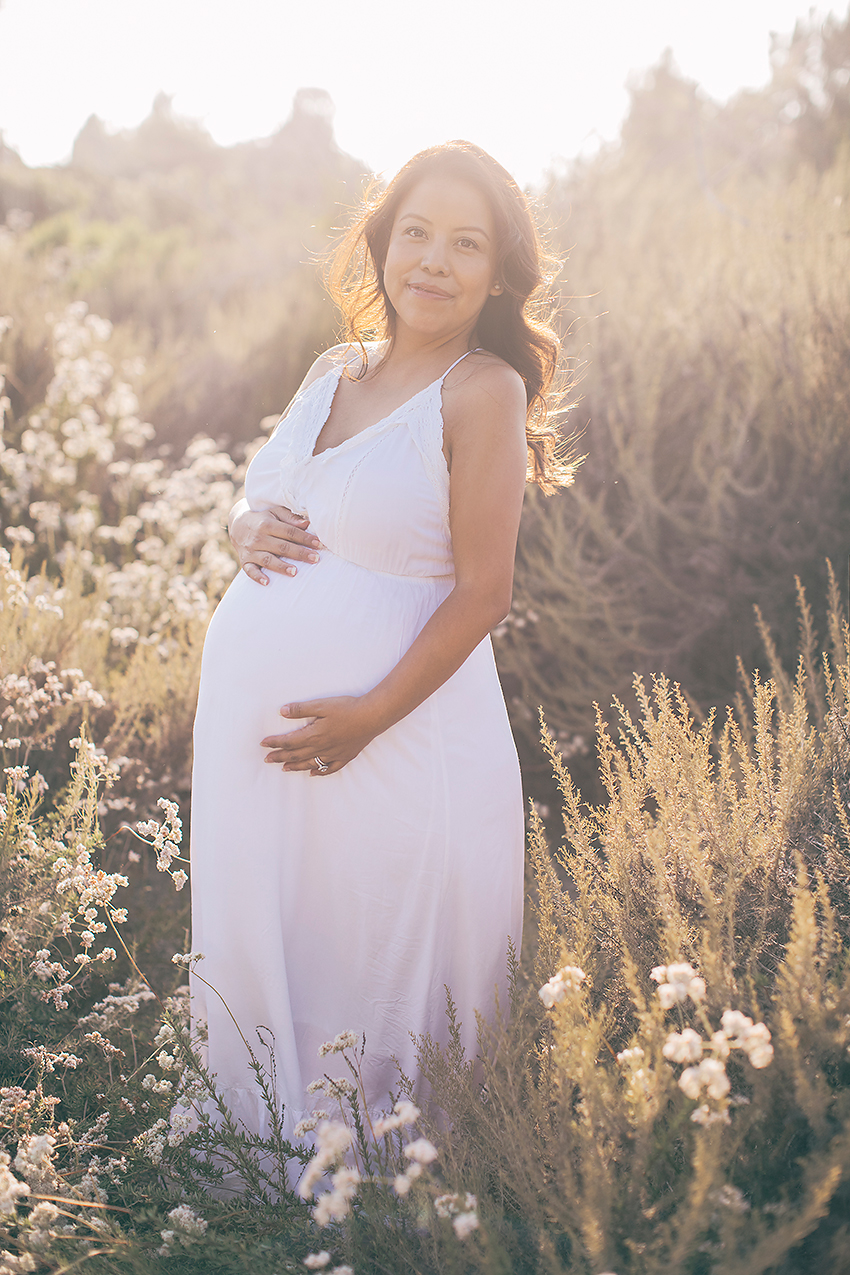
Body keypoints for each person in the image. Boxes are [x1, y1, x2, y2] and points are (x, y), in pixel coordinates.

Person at [189, 140, 574, 1142]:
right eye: (415, 234)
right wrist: (239, 525)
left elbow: (484, 594)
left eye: (464, 244)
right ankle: (259, 1123)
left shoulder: (483, 391)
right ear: (381, 242)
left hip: (399, 736)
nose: (433, 263)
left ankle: (380, 1161)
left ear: (498, 271)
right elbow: (263, 492)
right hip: (268, 753)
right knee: (286, 929)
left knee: (373, 951)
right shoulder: (332, 370)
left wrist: (367, 716)